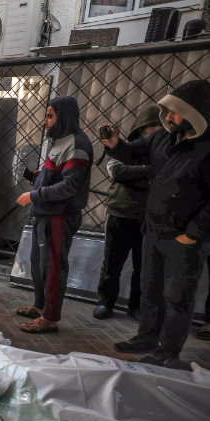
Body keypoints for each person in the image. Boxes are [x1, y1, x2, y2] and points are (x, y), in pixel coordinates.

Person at [103, 80, 210, 368]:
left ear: (195, 115)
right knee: (150, 288)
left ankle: (168, 350)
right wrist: (116, 145)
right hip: (152, 229)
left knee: (176, 297)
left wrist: (192, 234)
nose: (170, 117)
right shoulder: (163, 138)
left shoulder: (206, 149)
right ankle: (147, 337)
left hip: (183, 238)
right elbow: (133, 151)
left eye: (176, 112)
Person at [16, 96, 92, 334]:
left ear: (64, 116)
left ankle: (50, 318)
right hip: (46, 214)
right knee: (39, 266)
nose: (45, 121)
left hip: (59, 216)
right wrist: (39, 178)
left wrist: (34, 196)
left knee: (53, 268)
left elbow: (70, 186)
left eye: (49, 116)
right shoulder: (61, 141)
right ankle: (40, 306)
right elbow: (57, 175)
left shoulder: (77, 144)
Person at [93, 105, 160, 321]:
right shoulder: (126, 149)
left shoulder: (161, 153)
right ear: (141, 129)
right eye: (153, 128)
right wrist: (149, 171)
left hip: (148, 217)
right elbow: (117, 171)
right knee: (112, 265)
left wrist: (139, 173)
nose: (158, 132)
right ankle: (105, 303)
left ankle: (136, 307)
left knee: (143, 268)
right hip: (120, 213)